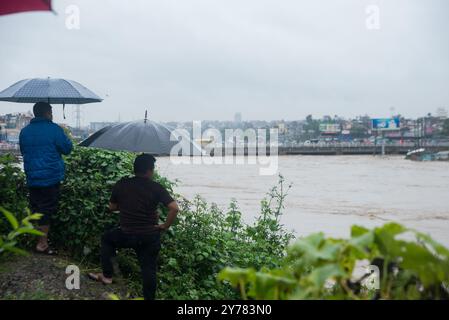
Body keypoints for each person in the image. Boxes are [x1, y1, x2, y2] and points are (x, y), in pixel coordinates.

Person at [89, 154, 179, 300]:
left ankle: (107, 276)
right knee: (148, 269)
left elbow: (112, 207)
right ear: (150, 170)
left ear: (135, 168)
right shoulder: (156, 187)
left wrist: (126, 207)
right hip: (149, 235)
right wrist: (164, 226)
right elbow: (174, 208)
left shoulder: (122, 184)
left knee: (107, 239)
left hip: (126, 234)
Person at [19, 102, 73, 254]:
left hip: (32, 177)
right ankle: (42, 244)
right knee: (46, 210)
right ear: (47, 113)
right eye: (51, 111)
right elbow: (68, 149)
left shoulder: (24, 131)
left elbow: (24, 151)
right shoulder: (54, 129)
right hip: (50, 177)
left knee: (37, 208)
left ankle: (37, 240)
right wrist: (63, 133)